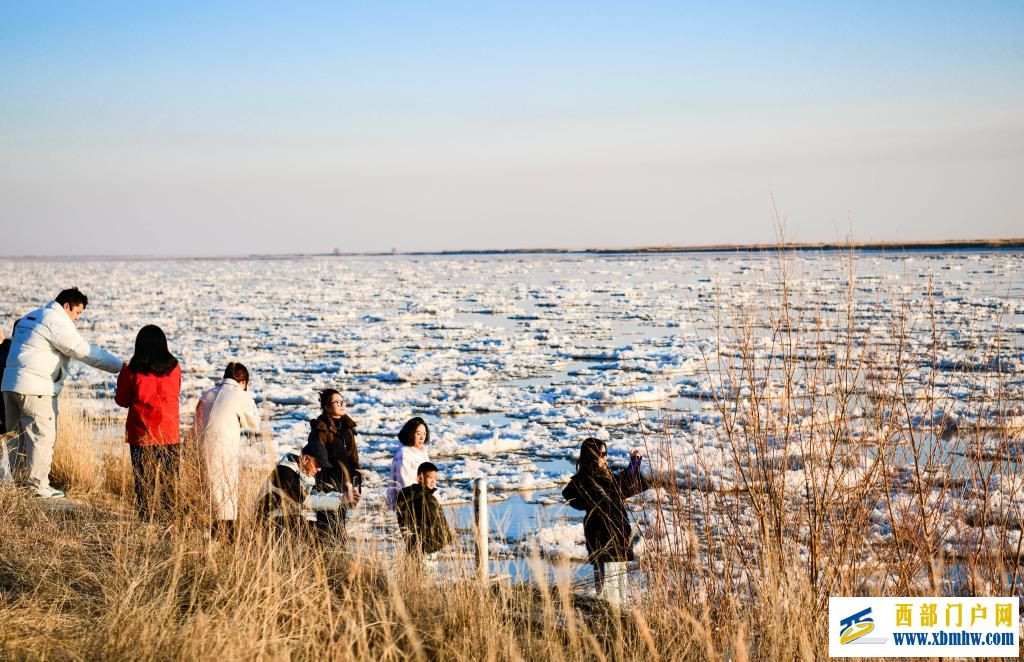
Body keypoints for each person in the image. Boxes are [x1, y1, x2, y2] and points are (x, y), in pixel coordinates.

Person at [1, 288, 122, 497]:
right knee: (42, 437)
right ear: (66, 306)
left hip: (9, 386)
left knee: (16, 439)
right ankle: (38, 487)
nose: (76, 319)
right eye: (77, 313)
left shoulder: (31, 317)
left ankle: (20, 487)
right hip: (36, 388)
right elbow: (83, 351)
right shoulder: (55, 320)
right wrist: (119, 366)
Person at [562, 438, 650, 606]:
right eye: (602, 454)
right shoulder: (588, 480)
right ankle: (609, 621)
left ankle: (616, 622)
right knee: (609, 592)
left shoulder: (601, 478)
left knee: (618, 587)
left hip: (615, 537)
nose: (606, 458)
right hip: (604, 537)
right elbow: (618, 487)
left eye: (606, 453)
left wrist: (635, 464)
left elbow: (621, 487)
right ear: (592, 456)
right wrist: (633, 465)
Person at [114, 325, 182, 521]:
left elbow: (122, 400)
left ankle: (146, 522)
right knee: (169, 483)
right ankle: (169, 523)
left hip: (142, 434)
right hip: (169, 433)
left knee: (144, 483)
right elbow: (176, 392)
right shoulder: (174, 367)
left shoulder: (132, 369)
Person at [195, 362, 260, 542]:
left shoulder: (207, 394)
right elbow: (254, 423)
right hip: (222, 452)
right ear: (244, 382)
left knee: (206, 497)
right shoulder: (240, 395)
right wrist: (247, 396)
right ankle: (226, 543)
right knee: (225, 500)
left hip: (197, 450)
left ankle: (206, 541)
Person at [254, 439, 354, 534]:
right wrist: (341, 500)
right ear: (306, 459)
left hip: (285, 519)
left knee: (327, 528)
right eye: (318, 464)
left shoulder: (302, 470)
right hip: (266, 523)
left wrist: (341, 496)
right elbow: (306, 500)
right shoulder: (284, 472)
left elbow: (317, 494)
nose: (319, 469)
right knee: (316, 531)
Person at [308, 389, 361, 537]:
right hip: (327, 487)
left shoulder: (347, 428)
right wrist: (325, 484)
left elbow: (353, 457)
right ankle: (325, 558)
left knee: (340, 527)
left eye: (343, 402)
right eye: (337, 402)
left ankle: (337, 557)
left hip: (345, 486)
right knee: (328, 528)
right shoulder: (321, 429)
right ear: (326, 406)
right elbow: (317, 457)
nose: (342, 405)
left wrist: (356, 482)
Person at [395, 461, 454, 568]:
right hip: (426, 548)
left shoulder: (414, 496)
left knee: (418, 574)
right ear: (420, 478)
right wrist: (445, 537)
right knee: (427, 576)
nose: (433, 481)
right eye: (430, 477)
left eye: (435, 478)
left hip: (419, 547)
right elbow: (429, 523)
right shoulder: (423, 498)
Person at [386, 417, 431, 511]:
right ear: (410, 433)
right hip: (409, 506)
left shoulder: (423, 453)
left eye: (424, 434)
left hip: (424, 502)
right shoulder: (403, 454)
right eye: (418, 434)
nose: (422, 438)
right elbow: (403, 484)